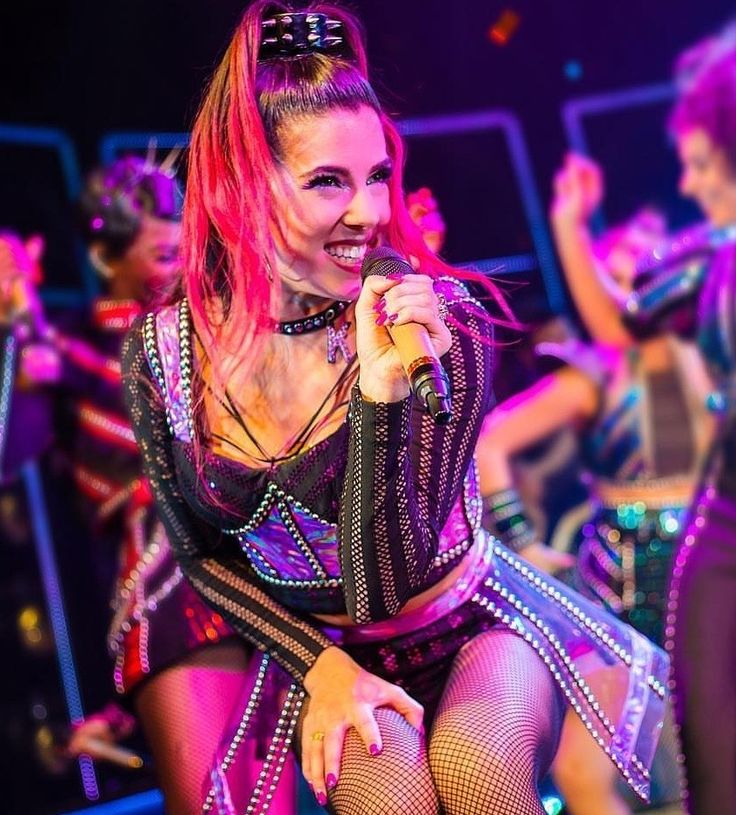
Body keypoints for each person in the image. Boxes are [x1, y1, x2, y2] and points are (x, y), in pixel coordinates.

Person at [122, 3, 668, 813]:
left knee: (476, 772)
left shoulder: (440, 328)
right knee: (392, 799)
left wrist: (378, 397)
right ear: (244, 184)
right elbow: (201, 559)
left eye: (378, 174)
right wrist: (321, 664)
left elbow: (384, 584)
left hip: (473, 624)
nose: (372, 212)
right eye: (328, 181)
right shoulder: (164, 354)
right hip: (329, 652)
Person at [0, 157, 295, 815]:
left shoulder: (216, 332)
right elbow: (8, 448)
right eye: (161, 250)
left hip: (266, 571)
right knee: (220, 803)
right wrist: (15, 326)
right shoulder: (72, 349)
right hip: (172, 581)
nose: (178, 259)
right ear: (107, 256)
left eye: (180, 245)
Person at [477, 200, 709, 815]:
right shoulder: (595, 374)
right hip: (623, 586)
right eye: (625, 265)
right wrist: (524, 542)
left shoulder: (701, 355)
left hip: (709, 559)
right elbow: (491, 442)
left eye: (652, 260)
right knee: (603, 761)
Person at [620, 28, 736, 815]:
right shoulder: (714, 256)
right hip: (724, 524)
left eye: (700, 163)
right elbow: (629, 313)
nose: (689, 185)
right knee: (712, 755)